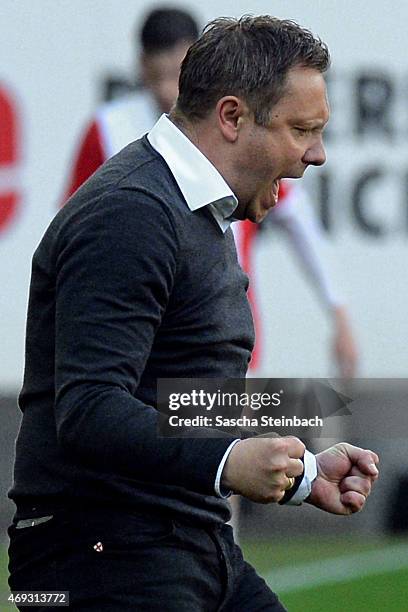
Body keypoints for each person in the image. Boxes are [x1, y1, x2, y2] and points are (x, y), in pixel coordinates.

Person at [9, 15, 379, 611]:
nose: (318, 154)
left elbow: (176, 395)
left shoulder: (196, 211)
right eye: (302, 130)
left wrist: (303, 473)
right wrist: (229, 461)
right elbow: (90, 409)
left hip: (182, 543)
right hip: (104, 557)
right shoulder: (132, 212)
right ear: (232, 118)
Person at [62, 6, 358, 377]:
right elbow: (98, 405)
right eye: (300, 130)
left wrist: (339, 313)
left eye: (177, 75)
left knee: (307, 416)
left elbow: (300, 223)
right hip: (168, 373)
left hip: (221, 356)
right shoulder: (126, 182)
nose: (169, 91)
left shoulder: (240, 177)